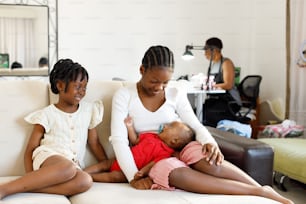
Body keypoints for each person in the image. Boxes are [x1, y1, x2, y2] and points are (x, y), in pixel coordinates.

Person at [110, 45, 293, 204]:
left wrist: (210, 143)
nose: (159, 87)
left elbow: (195, 125)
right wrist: (134, 176)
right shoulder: (124, 95)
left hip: (181, 144)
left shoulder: (175, 92)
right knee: (177, 174)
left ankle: (263, 188)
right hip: (155, 158)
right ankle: (256, 192)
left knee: (209, 159)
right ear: (142, 70)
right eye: (154, 81)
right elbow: (119, 140)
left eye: (165, 82)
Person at [0, 59, 107, 200]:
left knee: (85, 180)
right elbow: (30, 150)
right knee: (67, 167)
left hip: (73, 167)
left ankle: (30, 187)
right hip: (48, 157)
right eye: (77, 86)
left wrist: (107, 165)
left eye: (84, 87)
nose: (81, 91)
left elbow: (95, 143)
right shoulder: (46, 114)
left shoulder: (89, 111)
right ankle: (5, 189)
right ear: (60, 86)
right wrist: (30, 175)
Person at [85, 116, 194, 183]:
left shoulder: (166, 153)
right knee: (104, 164)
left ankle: (90, 177)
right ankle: (80, 172)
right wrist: (129, 127)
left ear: (174, 141)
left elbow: (152, 164)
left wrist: (142, 172)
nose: (165, 126)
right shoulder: (151, 135)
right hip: (121, 160)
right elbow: (135, 140)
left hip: (130, 171)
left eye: (170, 127)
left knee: (114, 177)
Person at [202, 37, 242, 127]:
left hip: (229, 101)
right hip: (217, 100)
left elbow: (228, 85)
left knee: (206, 114)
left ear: (214, 50)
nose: (204, 53)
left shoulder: (226, 63)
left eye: (206, 50)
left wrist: (211, 85)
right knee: (200, 109)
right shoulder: (214, 65)